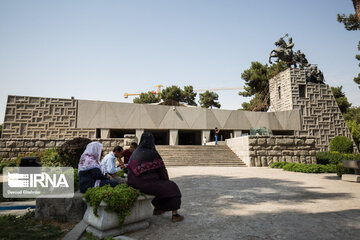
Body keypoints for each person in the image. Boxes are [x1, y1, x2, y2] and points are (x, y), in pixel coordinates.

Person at [127, 132, 184, 223]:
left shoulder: (135, 152)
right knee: (172, 187)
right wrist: (166, 181)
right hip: (144, 185)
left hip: (132, 184)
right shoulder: (152, 153)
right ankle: (175, 215)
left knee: (157, 185)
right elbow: (162, 172)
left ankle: (158, 208)